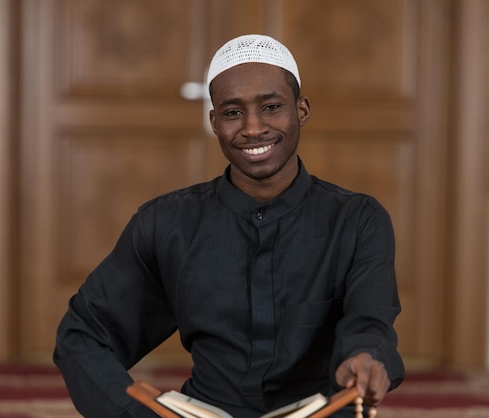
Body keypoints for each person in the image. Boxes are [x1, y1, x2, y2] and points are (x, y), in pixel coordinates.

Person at [53, 34, 404, 418]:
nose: (253, 128)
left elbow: (369, 322)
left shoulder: (358, 221)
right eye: (233, 112)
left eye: (271, 107)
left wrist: (368, 358)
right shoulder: (167, 223)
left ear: (301, 111)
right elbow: (84, 334)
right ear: (214, 121)